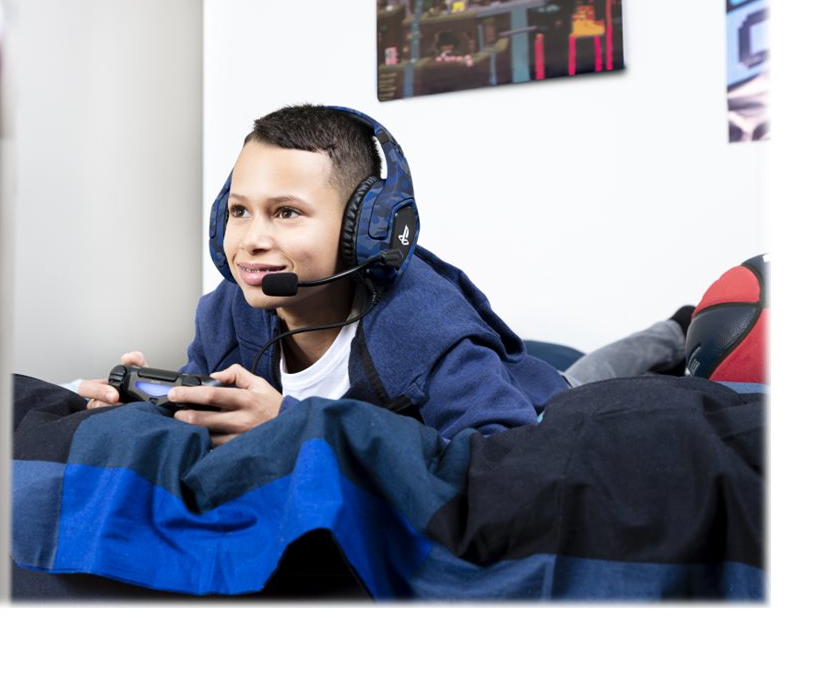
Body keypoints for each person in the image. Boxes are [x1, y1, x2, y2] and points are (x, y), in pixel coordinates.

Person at [71, 104, 688, 446]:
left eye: (286, 212)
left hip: (538, 400)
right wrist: (140, 413)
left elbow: (502, 452)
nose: (251, 240)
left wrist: (295, 425)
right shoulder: (227, 311)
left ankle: (677, 328)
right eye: (238, 211)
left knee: (594, 380)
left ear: (365, 229)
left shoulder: (426, 327)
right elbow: (210, 420)